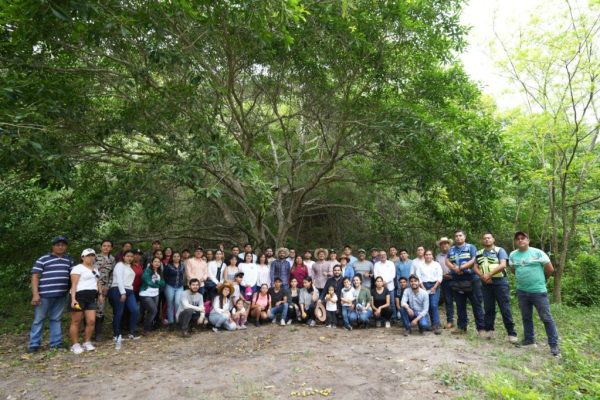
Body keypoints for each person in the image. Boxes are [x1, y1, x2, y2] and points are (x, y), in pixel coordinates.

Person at [509, 231, 560, 357]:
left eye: (523, 238)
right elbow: (513, 270)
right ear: (516, 242)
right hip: (522, 291)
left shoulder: (538, 253)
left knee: (546, 318)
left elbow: (550, 269)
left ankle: (554, 346)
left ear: (528, 240)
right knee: (526, 317)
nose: (520, 240)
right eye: (518, 239)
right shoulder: (513, 255)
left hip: (538, 292)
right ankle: (529, 341)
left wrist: (542, 280)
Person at [29, 236, 73, 353]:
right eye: (58, 244)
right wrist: (35, 294)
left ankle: (56, 344)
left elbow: (73, 277)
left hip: (61, 295)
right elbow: (35, 276)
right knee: (39, 319)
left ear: (66, 247)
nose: (60, 247)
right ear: (53, 246)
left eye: (63, 245)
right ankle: (34, 345)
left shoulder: (68, 260)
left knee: (56, 319)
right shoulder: (43, 259)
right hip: (44, 295)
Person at [475, 232, 517, 342]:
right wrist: (482, 276)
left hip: (500, 282)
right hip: (485, 283)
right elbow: (475, 267)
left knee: (505, 308)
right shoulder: (479, 253)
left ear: (493, 239)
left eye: (489, 238)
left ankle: (511, 333)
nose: (486, 240)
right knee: (488, 308)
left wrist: (489, 274)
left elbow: (503, 264)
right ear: (482, 241)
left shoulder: (500, 250)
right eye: (484, 238)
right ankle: (489, 330)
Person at [446, 230, 485, 335]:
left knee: (476, 304)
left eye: (460, 235)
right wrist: (454, 268)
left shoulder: (471, 247)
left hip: (471, 279)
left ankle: (481, 328)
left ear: (464, 237)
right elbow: (447, 260)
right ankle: (461, 327)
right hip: (457, 280)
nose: (458, 237)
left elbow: (474, 259)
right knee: (460, 305)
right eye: (456, 236)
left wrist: (462, 267)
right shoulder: (452, 249)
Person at [69, 248, 102, 354]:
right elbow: (73, 284)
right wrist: (73, 299)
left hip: (91, 298)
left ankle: (87, 342)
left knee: (91, 321)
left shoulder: (95, 269)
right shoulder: (77, 268)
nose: (90, 257)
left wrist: (100, 294)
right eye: (88, 255)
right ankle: (75, 344)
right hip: (79, 297)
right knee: (76, 321)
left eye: (92, 255)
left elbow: (98, 282)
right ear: (82, 257)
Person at [108, 250, 140, 349]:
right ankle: (116, 335)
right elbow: (120, 279)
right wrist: (122, 292)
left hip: (129, 290)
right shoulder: (119, 265)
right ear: (123, 257)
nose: (130, 258)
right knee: (119, 312)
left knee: (135, 310)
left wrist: (128, 291)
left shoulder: (129, 267)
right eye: (128, 256)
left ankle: (132, 332)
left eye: (131, 256)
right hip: (118, 289)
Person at [414, 249, 443, 334]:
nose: (428, 256)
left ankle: (436, 325)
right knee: (426, 305)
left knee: (433, 305)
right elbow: (418, 277)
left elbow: (440, 276)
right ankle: (428, 324)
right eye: (426, 254)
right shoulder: (420, 265)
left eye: (430, 254)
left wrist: (434, 287)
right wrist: (422, 287)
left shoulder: (436, 265)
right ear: (424, 256)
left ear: (432, 256)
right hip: (423, 286)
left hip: (435, 285)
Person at [93, 239, 115, 341]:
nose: (106, 247)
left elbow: (112, 275)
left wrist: (108, 286)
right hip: (92, 286)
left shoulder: (112, 259)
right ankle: (88, 330)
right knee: (90, 308)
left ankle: (98, 333)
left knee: (100, 309)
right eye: (104, 245)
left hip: (104, 287)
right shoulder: (94, 257)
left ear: (111, 248)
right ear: (101, 247)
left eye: (108, 246)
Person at [139, 257, 165, 335]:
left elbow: (163, 283)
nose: (157, 263)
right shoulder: (147, 271)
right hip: (146, 294)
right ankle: (145, 329)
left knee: (152, 312)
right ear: (151, 262)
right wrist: (157, 283)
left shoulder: (160, 271)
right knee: (153, 311)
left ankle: (147, 328)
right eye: (155, 261)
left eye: (158, 262)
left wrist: (157, 283)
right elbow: (148, 282)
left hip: (155, 294)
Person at [436, 237, 455, 329]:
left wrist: (453, 274)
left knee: (460, 301)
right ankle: (450, 321)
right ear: (440, 246)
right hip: (444, 280)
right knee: (448, 301)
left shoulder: (454, 252)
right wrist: (443, 275)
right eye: (442, 243)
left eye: (446, 243)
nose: (444, 245)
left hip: (456, 279)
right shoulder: (438, 256)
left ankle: (462, 321)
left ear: (449, 244)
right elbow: (436, 269)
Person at [164, 251, 185, 329]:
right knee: (170, 305)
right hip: (170, 286)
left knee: (177, 303)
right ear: (172, 258)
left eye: (178, 256)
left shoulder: (182, 266)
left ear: (180, 257)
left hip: (179, 287)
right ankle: (171, 323)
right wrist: (168, 284)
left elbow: (183, 275)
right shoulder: (168, 266)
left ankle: (178, 321)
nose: (176, 258)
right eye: (174, 256)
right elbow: (165, 276)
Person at [374, 250, 396, 319]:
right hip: (380, 287)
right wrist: (382, 283)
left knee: (392, 303)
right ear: (379, 256)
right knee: (380, 303)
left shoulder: (391, 263)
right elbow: (375, 275)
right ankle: (381, 318)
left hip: (390, 286)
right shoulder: (376, 264)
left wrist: (385, 282)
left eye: (384, 254)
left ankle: (394, 317)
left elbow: (393, 275)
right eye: (381, 255)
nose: (382, 256)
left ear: (386, 256)